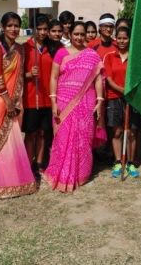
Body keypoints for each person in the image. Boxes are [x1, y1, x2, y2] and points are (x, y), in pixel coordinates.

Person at [45, 21, 105, 192]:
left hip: (86, 102)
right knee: (63, 138)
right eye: (76, 34)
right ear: (69, 34)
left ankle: (81, 174)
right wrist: (53, 101)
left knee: (83, 137)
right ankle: (62, 174)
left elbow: (98, 79)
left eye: (82, 34)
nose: (79, 37)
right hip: (64, 102)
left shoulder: (92, 55)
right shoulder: (61, 53)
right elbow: (54, 78)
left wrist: (100, 100)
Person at [0, 12, 38, 199]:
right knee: (0, 141)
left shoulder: (20, 49)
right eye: (10, 25)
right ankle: (0, 181)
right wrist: (8, 102)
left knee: (13, 140)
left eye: (17, 25)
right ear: (3, 26)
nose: (14, 29)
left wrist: (31, 74)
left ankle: (14, 180)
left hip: (15, 100)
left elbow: (20, 76)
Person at [104, 26, 141, 178]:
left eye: (125, 38)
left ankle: (131, 163)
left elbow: (139, 78)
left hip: (132, 98)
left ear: (129, 39)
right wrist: (122, 90)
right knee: (118, 131)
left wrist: (129, 92)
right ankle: (118, 161)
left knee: (132, 132)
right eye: (119, 38)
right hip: (114, 98)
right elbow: (108, 79)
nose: (121, 41)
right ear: (115, 38)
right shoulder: (109, 57)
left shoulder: (135, 57)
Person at [23, 14, 53, 174]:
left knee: (43, 132)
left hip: (48, 98)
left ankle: (40, 162)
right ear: (33, 29)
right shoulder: (25, 48)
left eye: (45, 29)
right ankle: (28, 162)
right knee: (31, 133)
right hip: (30, 98)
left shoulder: (52, 48)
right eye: (39, 29)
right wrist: (28, 74)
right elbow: (15, 74)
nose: (42, 32)